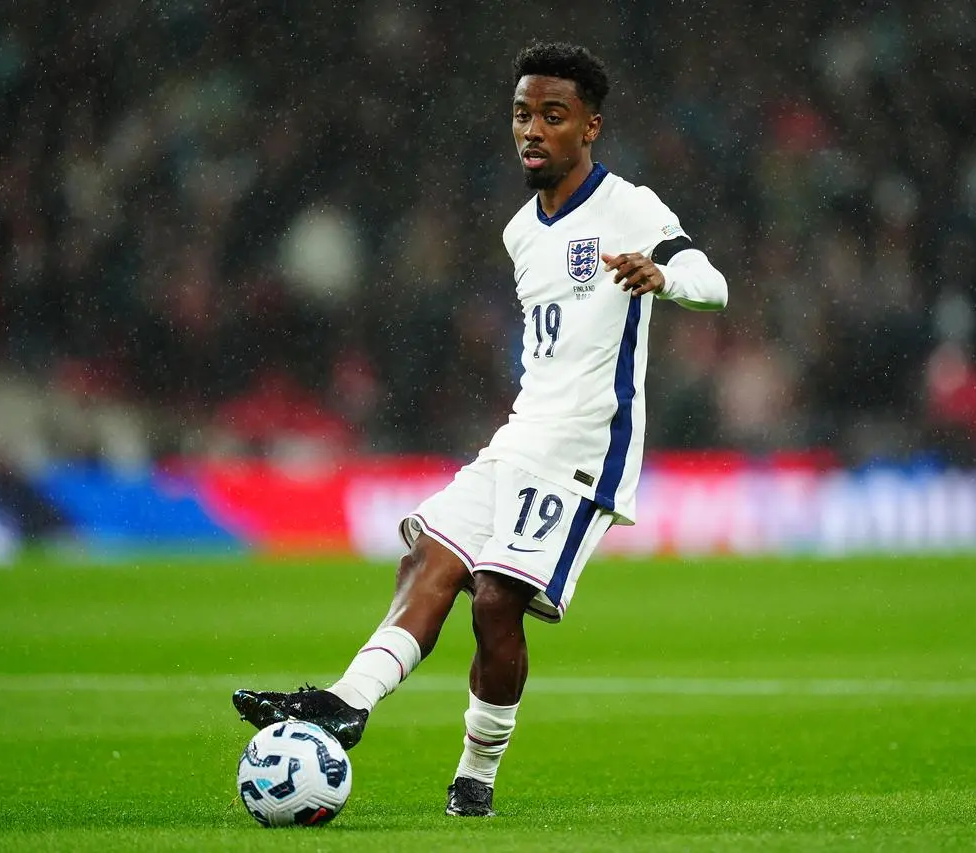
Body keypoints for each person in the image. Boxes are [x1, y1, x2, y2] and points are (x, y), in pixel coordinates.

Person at [233, 41, 728, 817]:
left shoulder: (630, 206)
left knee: (495, 596)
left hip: (584, 452)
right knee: (429, 556)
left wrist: (665, 275)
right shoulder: (519, 232)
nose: (532, 129)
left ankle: (475, 776)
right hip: (520, 437)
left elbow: (715, 283)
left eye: (552, 115)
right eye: (522, 114)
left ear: (590, 127)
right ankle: (346, 704)